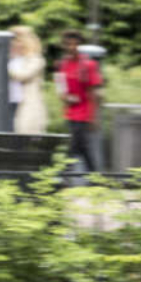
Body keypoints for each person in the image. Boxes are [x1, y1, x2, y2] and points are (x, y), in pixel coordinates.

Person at [55, 28, 103, 172]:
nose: (72, 47)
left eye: (75, 44)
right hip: (70, 112)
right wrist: (65, 97)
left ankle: (60, 176)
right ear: (64, 46)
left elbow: (93, 92)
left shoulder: (88, 64)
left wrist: (93, 117)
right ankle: (96, 180)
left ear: (80, 45)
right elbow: (60, 89)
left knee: (75, 146)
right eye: (68, 44)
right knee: (83, 147)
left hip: (84, 113)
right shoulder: (61, 65)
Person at [8, 25, 47, 134]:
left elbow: (22, 75)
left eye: (17, 41)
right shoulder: (14, 59)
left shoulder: (35, 60)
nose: (14, 44)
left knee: (23, 136)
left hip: (26, 105)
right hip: (11, 103)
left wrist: (4, 66)